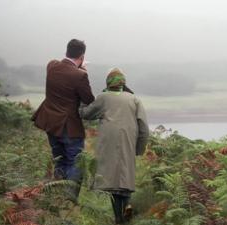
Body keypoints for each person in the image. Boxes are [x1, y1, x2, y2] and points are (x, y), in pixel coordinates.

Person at [79, 68, 149, 224]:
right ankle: (127, 207)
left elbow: (86, 114)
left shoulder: (103, 97)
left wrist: (82, 100)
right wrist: (139, 148)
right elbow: (144, 127)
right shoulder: (134, 99)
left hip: (108, 142)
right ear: (123, 83)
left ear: (108, 83)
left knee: (111, 182)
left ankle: (118, 218)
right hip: (128, 141)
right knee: (125, 179)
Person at [32, 39, 94, 193]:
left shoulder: (51, 66)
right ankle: (69, 199)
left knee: (59, 159)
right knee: (76, 162)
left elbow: (59, 66)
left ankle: (57, 195)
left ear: (67, 51)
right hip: (69, 126)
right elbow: (88, 99)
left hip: (50, 123)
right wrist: (84, 71)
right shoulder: (80, 75)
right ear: (81, 56)